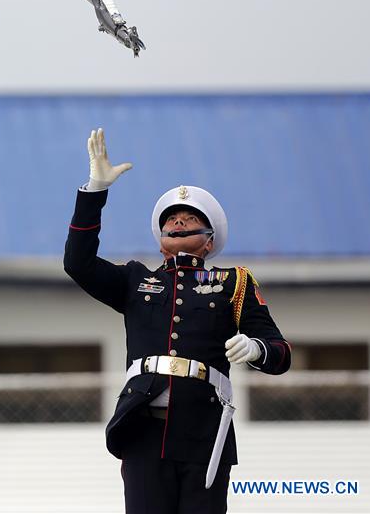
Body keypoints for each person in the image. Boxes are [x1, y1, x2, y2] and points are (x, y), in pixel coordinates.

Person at [63, 128, 291, 514]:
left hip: (205, 428)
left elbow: (280, 353)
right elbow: (77, 263)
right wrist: (94, 191)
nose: (179, 221)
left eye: (190, 218)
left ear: (209, 240)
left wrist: (256, 348)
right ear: (161, 239)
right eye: (172, 219)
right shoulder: (135, 280)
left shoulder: (233, 282)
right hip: (143, 428)